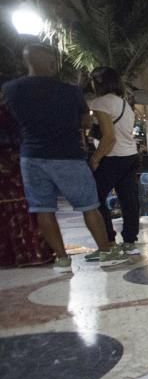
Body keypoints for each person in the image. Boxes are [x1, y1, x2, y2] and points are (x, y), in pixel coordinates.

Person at [1, 44, 126, 271]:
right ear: (51, 63)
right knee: (89, 206)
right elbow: (86, 122)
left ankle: (61, 257)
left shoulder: (10, 89)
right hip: (68, 155)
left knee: (43, 209)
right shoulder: (70, 91)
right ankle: (105, 250)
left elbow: (10, 120)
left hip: (32, 155)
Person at [87, 66, 141, 256]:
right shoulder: (126, 104)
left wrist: (95, 158)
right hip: (130, 156)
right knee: (129, 200)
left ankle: (108, 241)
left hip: (112, 157)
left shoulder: (101, 103)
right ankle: (129, 241)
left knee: (95, 199)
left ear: (98, 82)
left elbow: (109, 137)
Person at [0, 84, 53, 267]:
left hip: (15, 163)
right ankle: (28, 252)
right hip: (17, 161)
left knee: (22, 205)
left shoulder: (10, 111)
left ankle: (28, 252)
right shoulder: (13, 110)